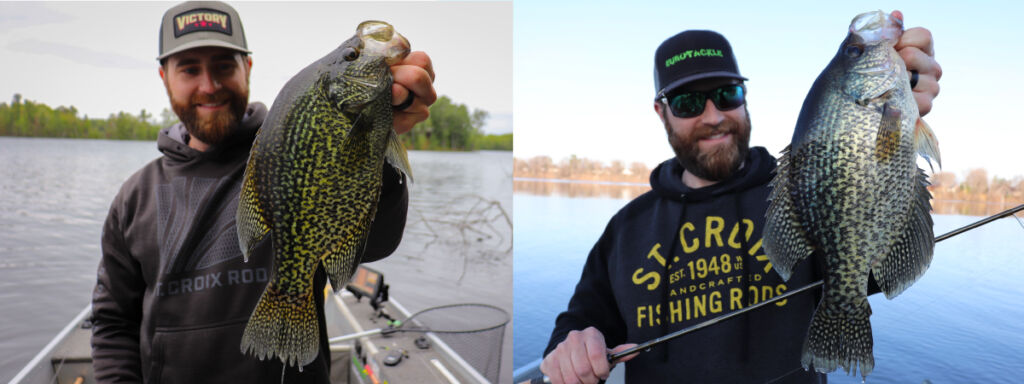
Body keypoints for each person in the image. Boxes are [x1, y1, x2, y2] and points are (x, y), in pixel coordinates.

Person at [540, 11, 941, 384]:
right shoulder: (626, 229)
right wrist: (572, 351)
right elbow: (577, 323)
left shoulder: (796, 193)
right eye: (688, 102)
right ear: (661, 112)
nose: (713, 115)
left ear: (745, 97)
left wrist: (902, 103)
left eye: (727, 93)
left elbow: (869, 262)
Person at [89, 1, 437, 383]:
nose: (208, 85)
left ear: (247, 67)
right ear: (164, 76)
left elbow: (378, 241)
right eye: (190, 68)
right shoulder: (134, 197)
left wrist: (376, 145)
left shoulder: (286, 146)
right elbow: (112, 322)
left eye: (223, 65)